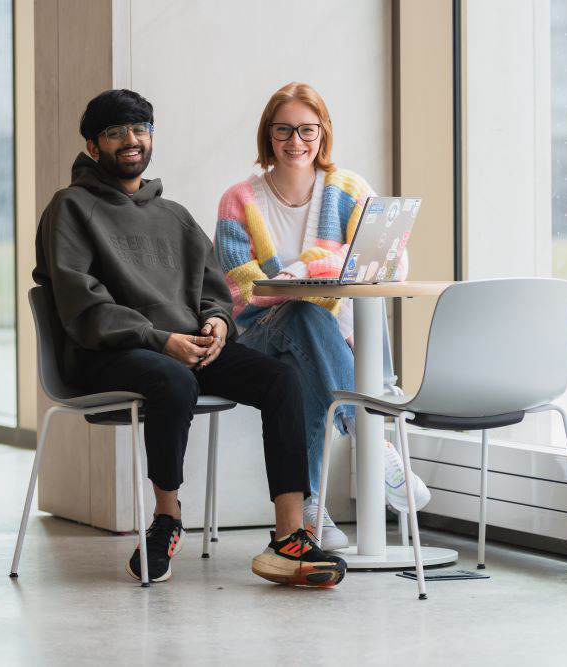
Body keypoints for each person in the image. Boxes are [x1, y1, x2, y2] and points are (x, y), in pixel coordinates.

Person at [33, 89, 346, 588]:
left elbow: (214, 288)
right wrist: (160, 340)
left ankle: (289, 537)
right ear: (93, 147)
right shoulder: (69, 209)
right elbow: (81, 304)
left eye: (139, 130)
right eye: (115, 132)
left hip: (186, 347)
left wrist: (218, 323)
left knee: (281, 380)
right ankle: (167, 519)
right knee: (173, 379)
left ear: (151, 138)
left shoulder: (173, 215)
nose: (130, 141)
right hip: (110, 352)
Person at [215, 82, 430, 551]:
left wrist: (307, 269)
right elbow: (243, 288)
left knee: (302, 354)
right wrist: (314, 276)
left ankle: (310, 507)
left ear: (323, 132)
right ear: (268, 135)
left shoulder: (349, 190)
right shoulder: (239, 200)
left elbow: (390, 262)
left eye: (307, 129)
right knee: (300, 316)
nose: (296, 141)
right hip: (258, 334)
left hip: (336, 338)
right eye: (284, 130)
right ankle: (373, 439)